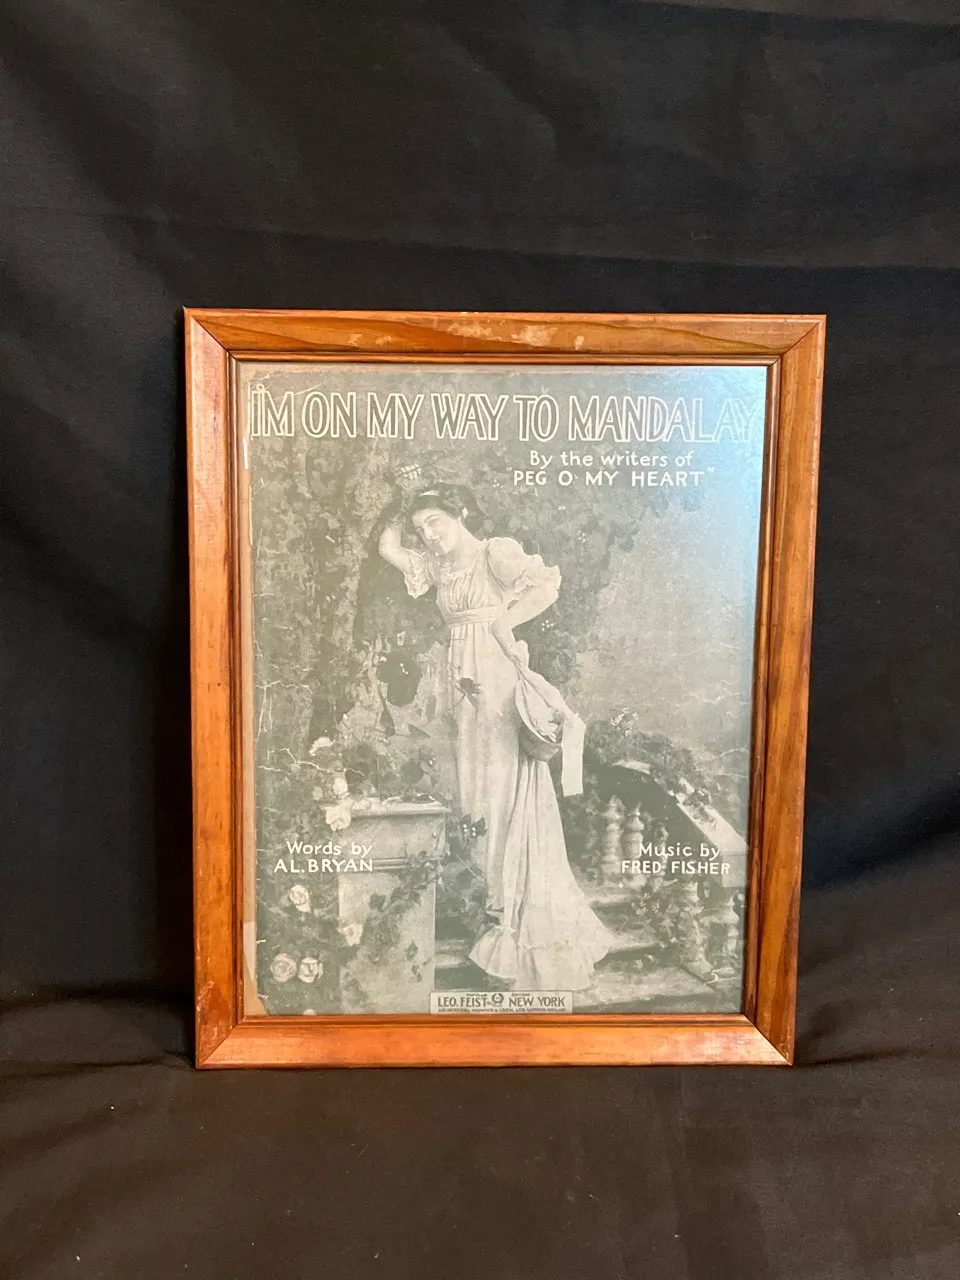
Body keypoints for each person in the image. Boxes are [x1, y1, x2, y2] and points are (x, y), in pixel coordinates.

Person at [378, 483, 613, 991]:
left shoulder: (494, 553)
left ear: (460, 513)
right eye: (421, 528)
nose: (429, 535)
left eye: (436, 521)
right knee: (472, 796)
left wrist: (505, 622)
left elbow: (545, 587)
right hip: (460, 688)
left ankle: (512, 923)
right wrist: (402, 501)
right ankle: (489, 912)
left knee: (502, 795)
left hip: (498, 683)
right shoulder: (439, 567)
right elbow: (388, 548)